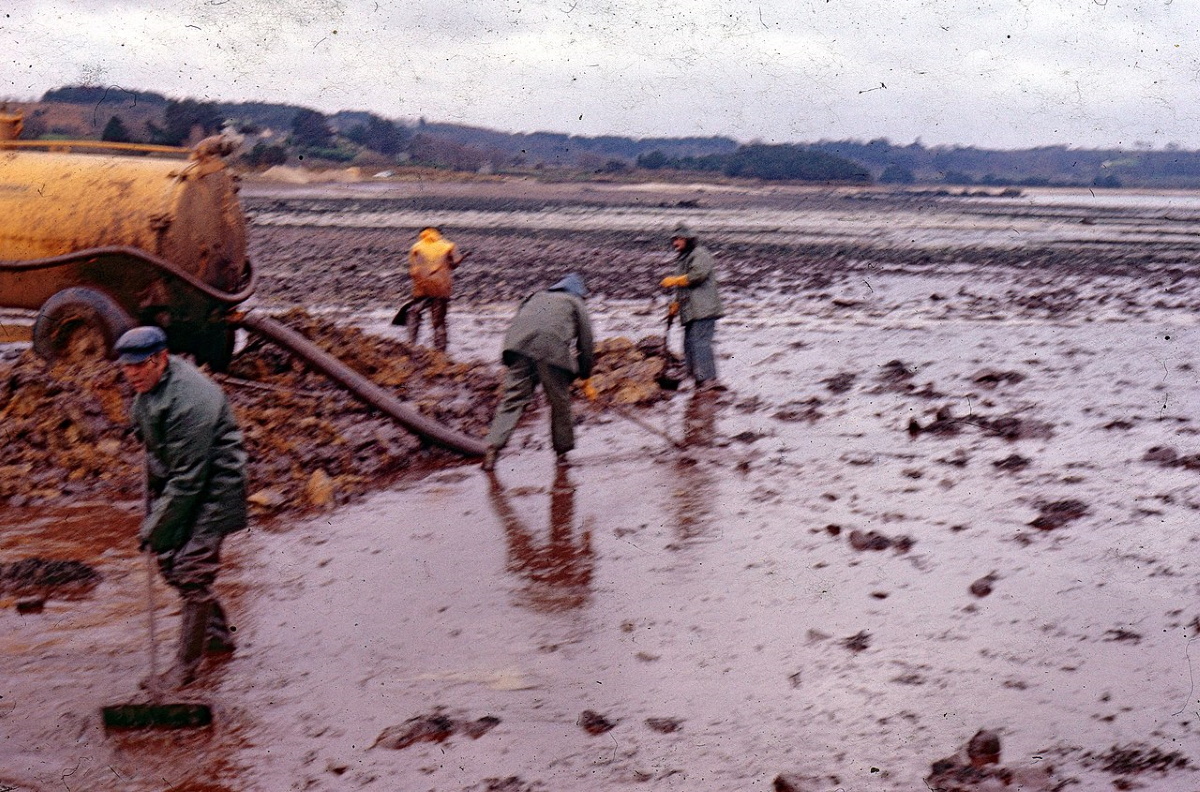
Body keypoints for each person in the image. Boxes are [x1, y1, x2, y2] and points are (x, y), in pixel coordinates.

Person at [114, 326, 248, 690]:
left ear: (161, 358)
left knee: (192, 571)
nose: (132, 374)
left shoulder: (191, 400)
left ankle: (184, 669)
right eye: (126, 368)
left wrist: (154, 526)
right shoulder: (149, 385)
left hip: (215, 488)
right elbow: (153, 438)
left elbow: (189, 479)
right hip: (183, 480)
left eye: (140, 366)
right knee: (170, 564)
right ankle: (218, 635)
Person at [483, 273, 595, 470]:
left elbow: (520, 323)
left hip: (518, 348)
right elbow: (586, 343)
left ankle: (492, 449)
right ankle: (562, 455)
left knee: (513, 399)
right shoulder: (576, 303)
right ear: (578, 292)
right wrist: (585, 375)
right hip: (551, 351)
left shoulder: (535, 296)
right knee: (559, 402)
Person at [659, 223, 725, 391]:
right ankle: (696, 378)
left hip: (704, 309)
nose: (675, 243)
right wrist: (675, 304)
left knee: (701, 343)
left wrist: (674, 280)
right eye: (674, 239)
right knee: (689, 344)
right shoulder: (684, 258)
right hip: (691, 310)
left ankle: (709, 380)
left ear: (688, 239)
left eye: (679, 239)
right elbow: (683, 286)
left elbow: (697, 276)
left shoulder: (700, 254)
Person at [407, 226, 465, 351]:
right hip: (441, 287)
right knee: (438, 321)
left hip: (422, 287)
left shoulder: (416, 247)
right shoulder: (448, 246)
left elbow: (413, 269)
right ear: (438, 234)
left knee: (414, 312)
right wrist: (460, 260)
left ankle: (411, 343)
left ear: (423, 234)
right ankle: (440, 352)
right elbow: (454, 264)